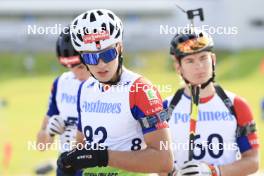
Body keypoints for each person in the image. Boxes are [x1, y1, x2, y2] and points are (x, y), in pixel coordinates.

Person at [57, 9, 174, 176]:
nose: (101, 64)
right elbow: (82, 146)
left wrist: (104, 157)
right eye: (91, 57)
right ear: (82, 58)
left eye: (107, 53)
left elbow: (164, 161)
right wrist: (69, 162)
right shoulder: (85, 89)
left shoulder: (139, 89)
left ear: (119, 48)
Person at [162, 29, 259, 176]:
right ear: (178, 66)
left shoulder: (236, 104)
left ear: (213, 59)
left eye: (203, 58)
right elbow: (157, 160)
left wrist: (214, 171)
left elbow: (252, 161)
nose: (199, 66)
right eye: (190, 60)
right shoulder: (165, 108)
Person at [36, 26, 90, 176]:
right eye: (68, 66)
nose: (75, 73)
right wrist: (50, 133)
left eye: (79, 67)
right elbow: (41, 145)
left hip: (93, 166)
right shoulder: (60, 83)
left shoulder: (104, 85)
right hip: (66, 166)